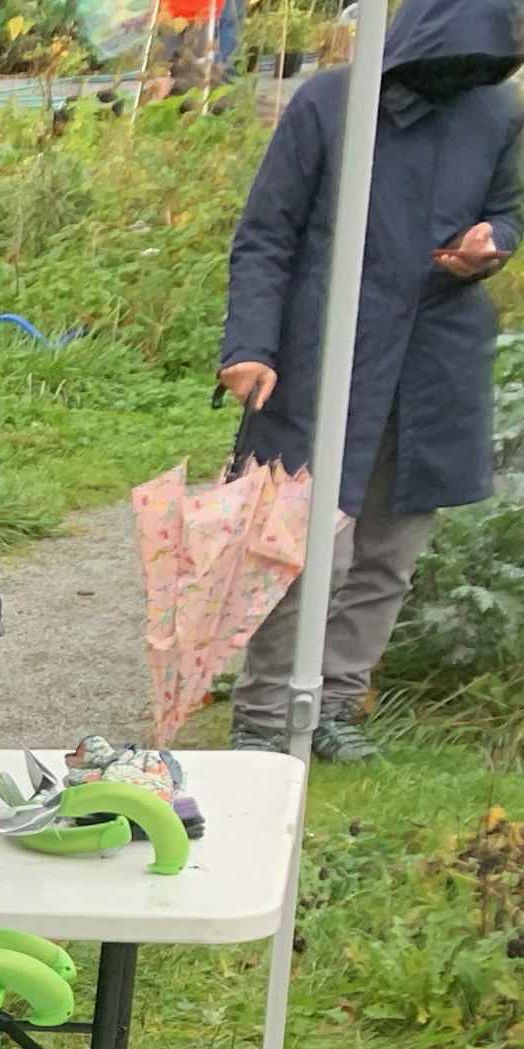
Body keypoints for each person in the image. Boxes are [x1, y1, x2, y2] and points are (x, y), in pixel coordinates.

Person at [219, 0, 519, 759]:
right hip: (324, 351)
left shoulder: (499, 112)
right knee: (307, 542)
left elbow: (508, 211)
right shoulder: (331, 102)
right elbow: (266, 234)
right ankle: (263, 716)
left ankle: (336, 706)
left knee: (390, 548)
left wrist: (493, 243)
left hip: (433, 358)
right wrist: (251, 345)